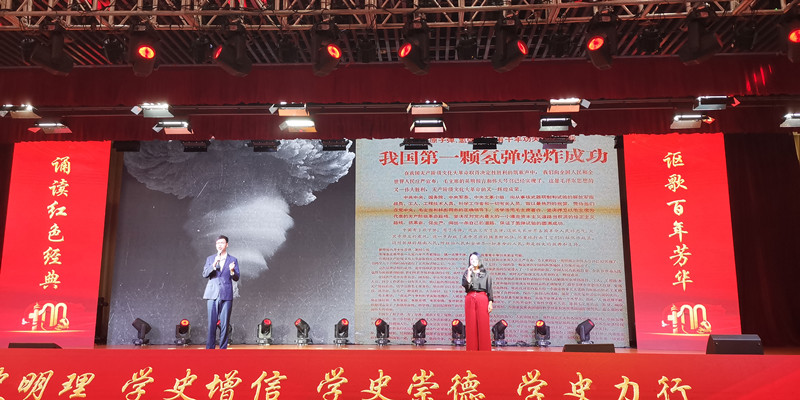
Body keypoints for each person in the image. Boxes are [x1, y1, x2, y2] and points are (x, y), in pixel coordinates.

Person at [202, 235, 240, 349]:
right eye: (218, 243)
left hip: (226, 294)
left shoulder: (233, 260)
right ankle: (210, 349)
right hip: (212, 294)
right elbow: (205, 274)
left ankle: (223, 349)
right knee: (211, 323)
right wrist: (214, 264)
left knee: (224, 324)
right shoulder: (210, 259)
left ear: (226, 245)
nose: (219, 245)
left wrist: (232, 270)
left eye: (222, 243)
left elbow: (236, 278)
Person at [461, 252, 493, 351]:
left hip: (482, 298)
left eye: (475, 259)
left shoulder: (486, 274)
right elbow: (466, 286)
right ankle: (472, 349)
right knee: (471, 324)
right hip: (470, 298)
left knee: (483, 323)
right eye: (471, 259)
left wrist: (490, 302)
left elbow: (489, 288)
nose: (473, 261)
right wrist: (469, 273)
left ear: (479, 260)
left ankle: (484, 350)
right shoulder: (467, 273)